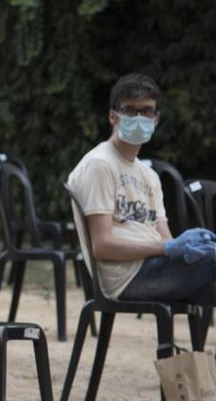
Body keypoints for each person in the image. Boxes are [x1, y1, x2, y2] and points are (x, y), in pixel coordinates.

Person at [68, 73, 216, 303]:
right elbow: (102, 246)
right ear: (112, 116)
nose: (138, 117)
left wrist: (188, 247)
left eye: (146, 111)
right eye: (129, 110)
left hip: (156, 267)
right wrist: (168, 248)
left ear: (156, 119)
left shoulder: (149, 176)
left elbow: (165, 240)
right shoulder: (100, 165)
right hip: (127, 278)